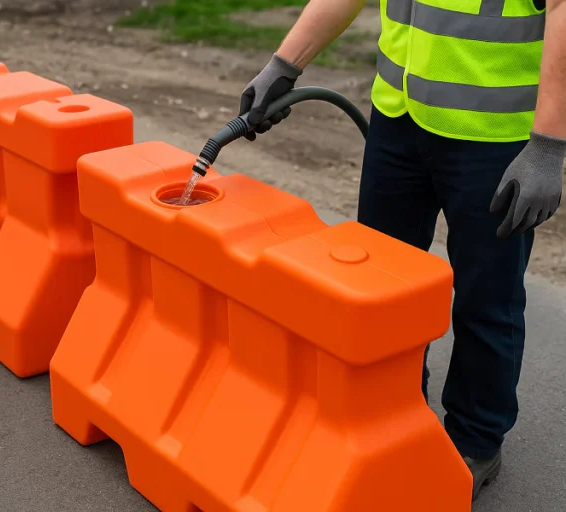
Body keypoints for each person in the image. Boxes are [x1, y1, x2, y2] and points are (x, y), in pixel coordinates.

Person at [239, 0, 566, 502]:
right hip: (398, 118)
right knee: (380, 288)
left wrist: (548, 145)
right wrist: (285, 64)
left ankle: (474, 442)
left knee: (487, 299)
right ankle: (392, 415)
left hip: (493, 136)